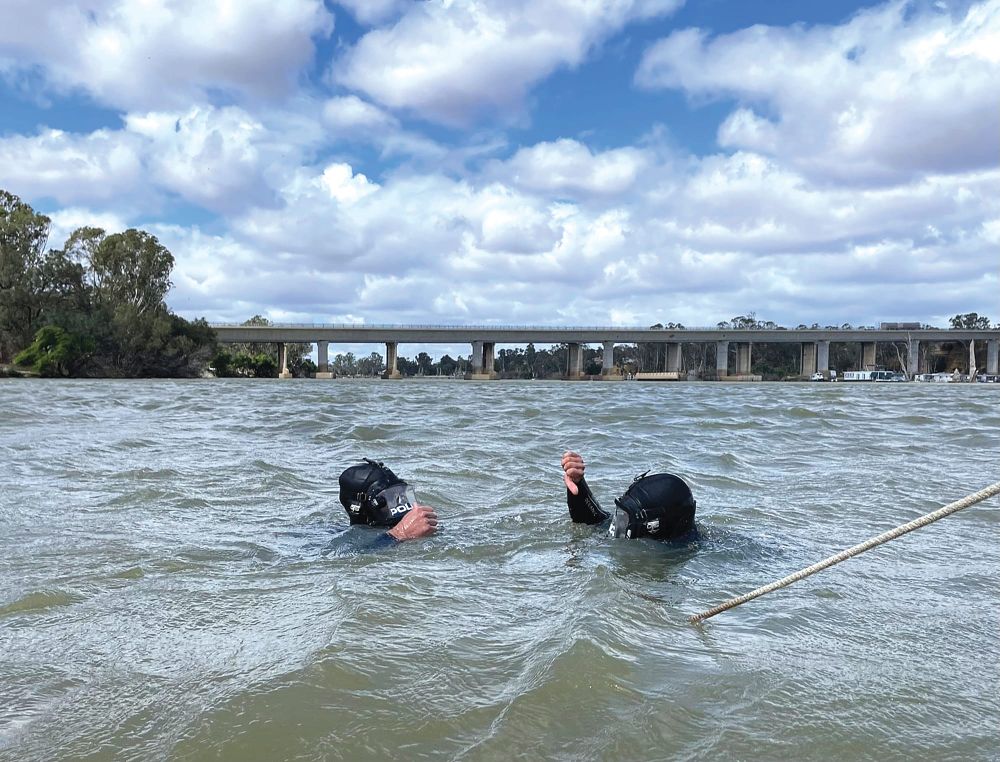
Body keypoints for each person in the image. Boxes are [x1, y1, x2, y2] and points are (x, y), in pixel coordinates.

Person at [561, 451, 697, 541]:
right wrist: (578, 484)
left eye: (626, 519)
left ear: (654, 527)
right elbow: (595, 521)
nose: (618, 526)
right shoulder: (626, 525)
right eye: (621, 515)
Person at [326, 458, 438, 553]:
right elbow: (352, 560)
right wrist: (399, 534)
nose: (398, 505)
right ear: (357, 507)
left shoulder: (420, 524)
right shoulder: (343, 540)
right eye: (387, 500)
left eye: (400, 494)